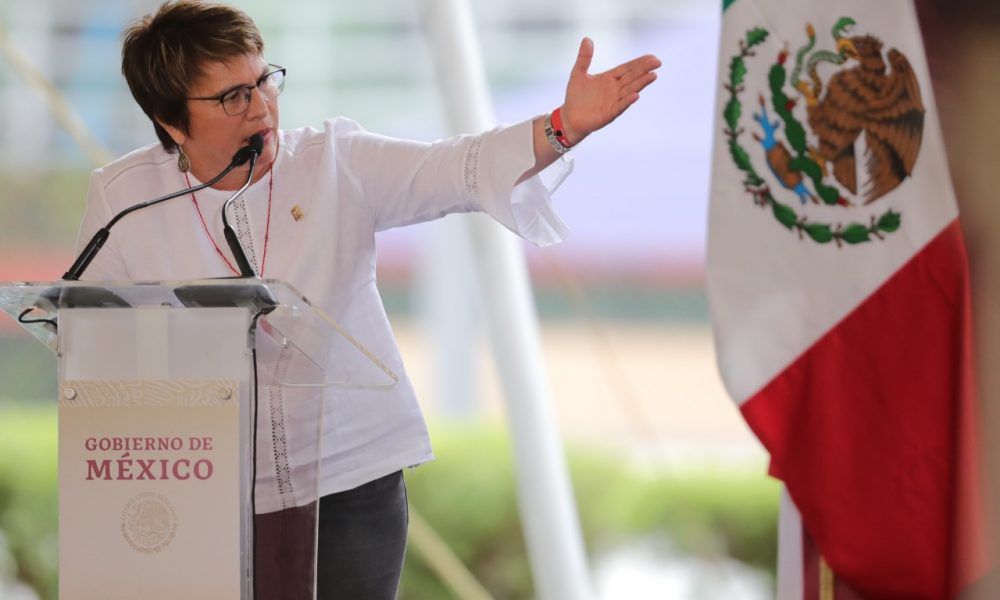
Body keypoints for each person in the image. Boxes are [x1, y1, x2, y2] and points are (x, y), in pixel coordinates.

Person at [75, 1, 660, 598]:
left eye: (264, 81)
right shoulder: (124, 200)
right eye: (233, 97)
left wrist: (563, 125)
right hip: (203, 479)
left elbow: (453, 166)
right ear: (171, 121)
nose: (262, 108)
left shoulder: (333, 161)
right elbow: (85, 336)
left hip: (350, 474)